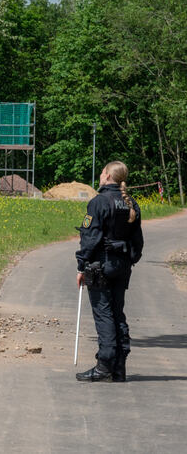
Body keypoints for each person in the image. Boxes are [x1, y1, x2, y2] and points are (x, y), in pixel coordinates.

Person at [75, 161, 144, 382]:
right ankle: (119, 367)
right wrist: (129, 259)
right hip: (122, 266)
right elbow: (138, 241)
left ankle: (104, 365)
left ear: (106, 176)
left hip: (100, 266)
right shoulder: (131, 203)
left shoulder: (99, 202)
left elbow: (90, 236)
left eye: (102, 172)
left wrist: (81, 265)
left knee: (104, 314)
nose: (100, 175)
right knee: (117, 313)